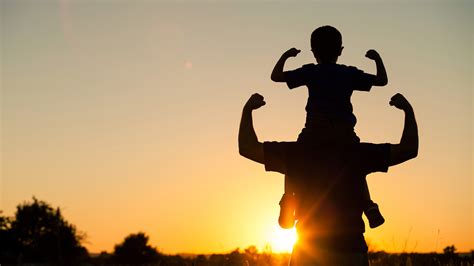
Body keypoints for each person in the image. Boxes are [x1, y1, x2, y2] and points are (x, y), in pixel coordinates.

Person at [238, 93, 418, 265]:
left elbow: (247, 147)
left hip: (308, 252)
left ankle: (288, 200)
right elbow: (408, 149)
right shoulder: (357, 153)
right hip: (350, 251)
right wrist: (408, 110)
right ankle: (369, 205)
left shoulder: (295, 153)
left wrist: (247, 110)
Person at [270, 25, 388, 229]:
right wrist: (377, 59)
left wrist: (286, 56)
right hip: (344, 134)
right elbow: (381, 81)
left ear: (313, 51)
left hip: (314, 132)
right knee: (356, 167)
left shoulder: (311, 71)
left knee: (292, 160)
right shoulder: (348, 73)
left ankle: (289, 199)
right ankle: (368, 204)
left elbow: (276, 76)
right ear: (341, 50)